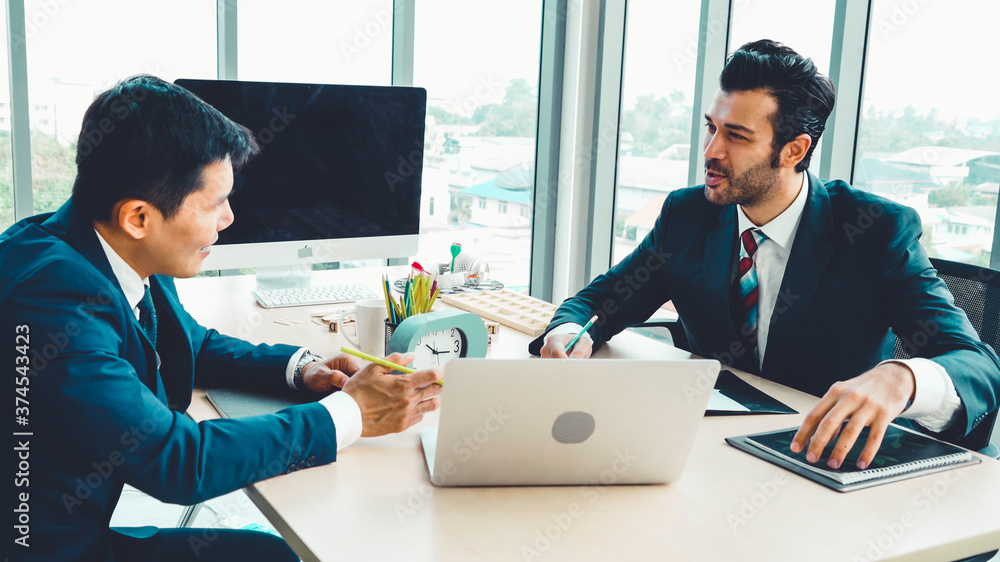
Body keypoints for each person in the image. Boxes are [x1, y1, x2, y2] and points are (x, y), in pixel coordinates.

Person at [1, 75, 442, 561]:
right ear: (139, 217)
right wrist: (352, 415)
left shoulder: (106, 241)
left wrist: (303, 369)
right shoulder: (52, 298)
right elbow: (177, 461)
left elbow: (188, 343)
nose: (229, 218)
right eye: (215, 203)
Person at [532, 40, 1000, 472]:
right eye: (712, 128)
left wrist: (900, 380)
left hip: (822, 462)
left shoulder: (874, 231)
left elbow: (977, 365)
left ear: (793, 150)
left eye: (736, 136)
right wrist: (572, 331)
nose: (711, 151)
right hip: (707, 455)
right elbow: (602, 302)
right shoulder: (686, 215)